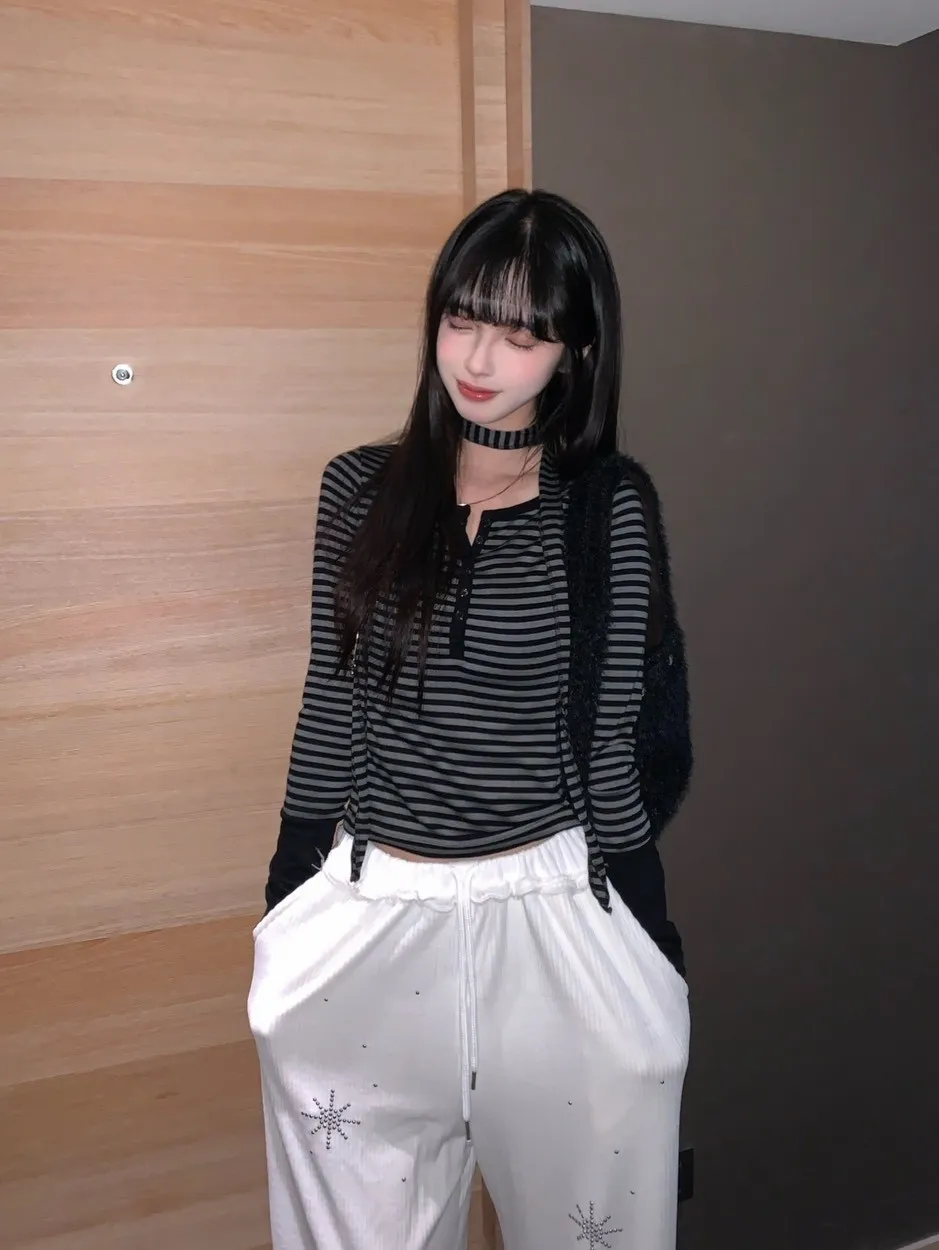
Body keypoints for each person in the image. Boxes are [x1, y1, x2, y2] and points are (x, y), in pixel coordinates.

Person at [248, 188, 692, 1250]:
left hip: (551, 916)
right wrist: (286, 904)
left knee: (591, 1231)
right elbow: (331, 702)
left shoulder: (607, 506)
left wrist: (653, 946)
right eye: (461, 319)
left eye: (521, 335)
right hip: (370, 909)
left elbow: (610, 743)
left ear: (575, 350)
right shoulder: (359, 487)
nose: (479, 359)